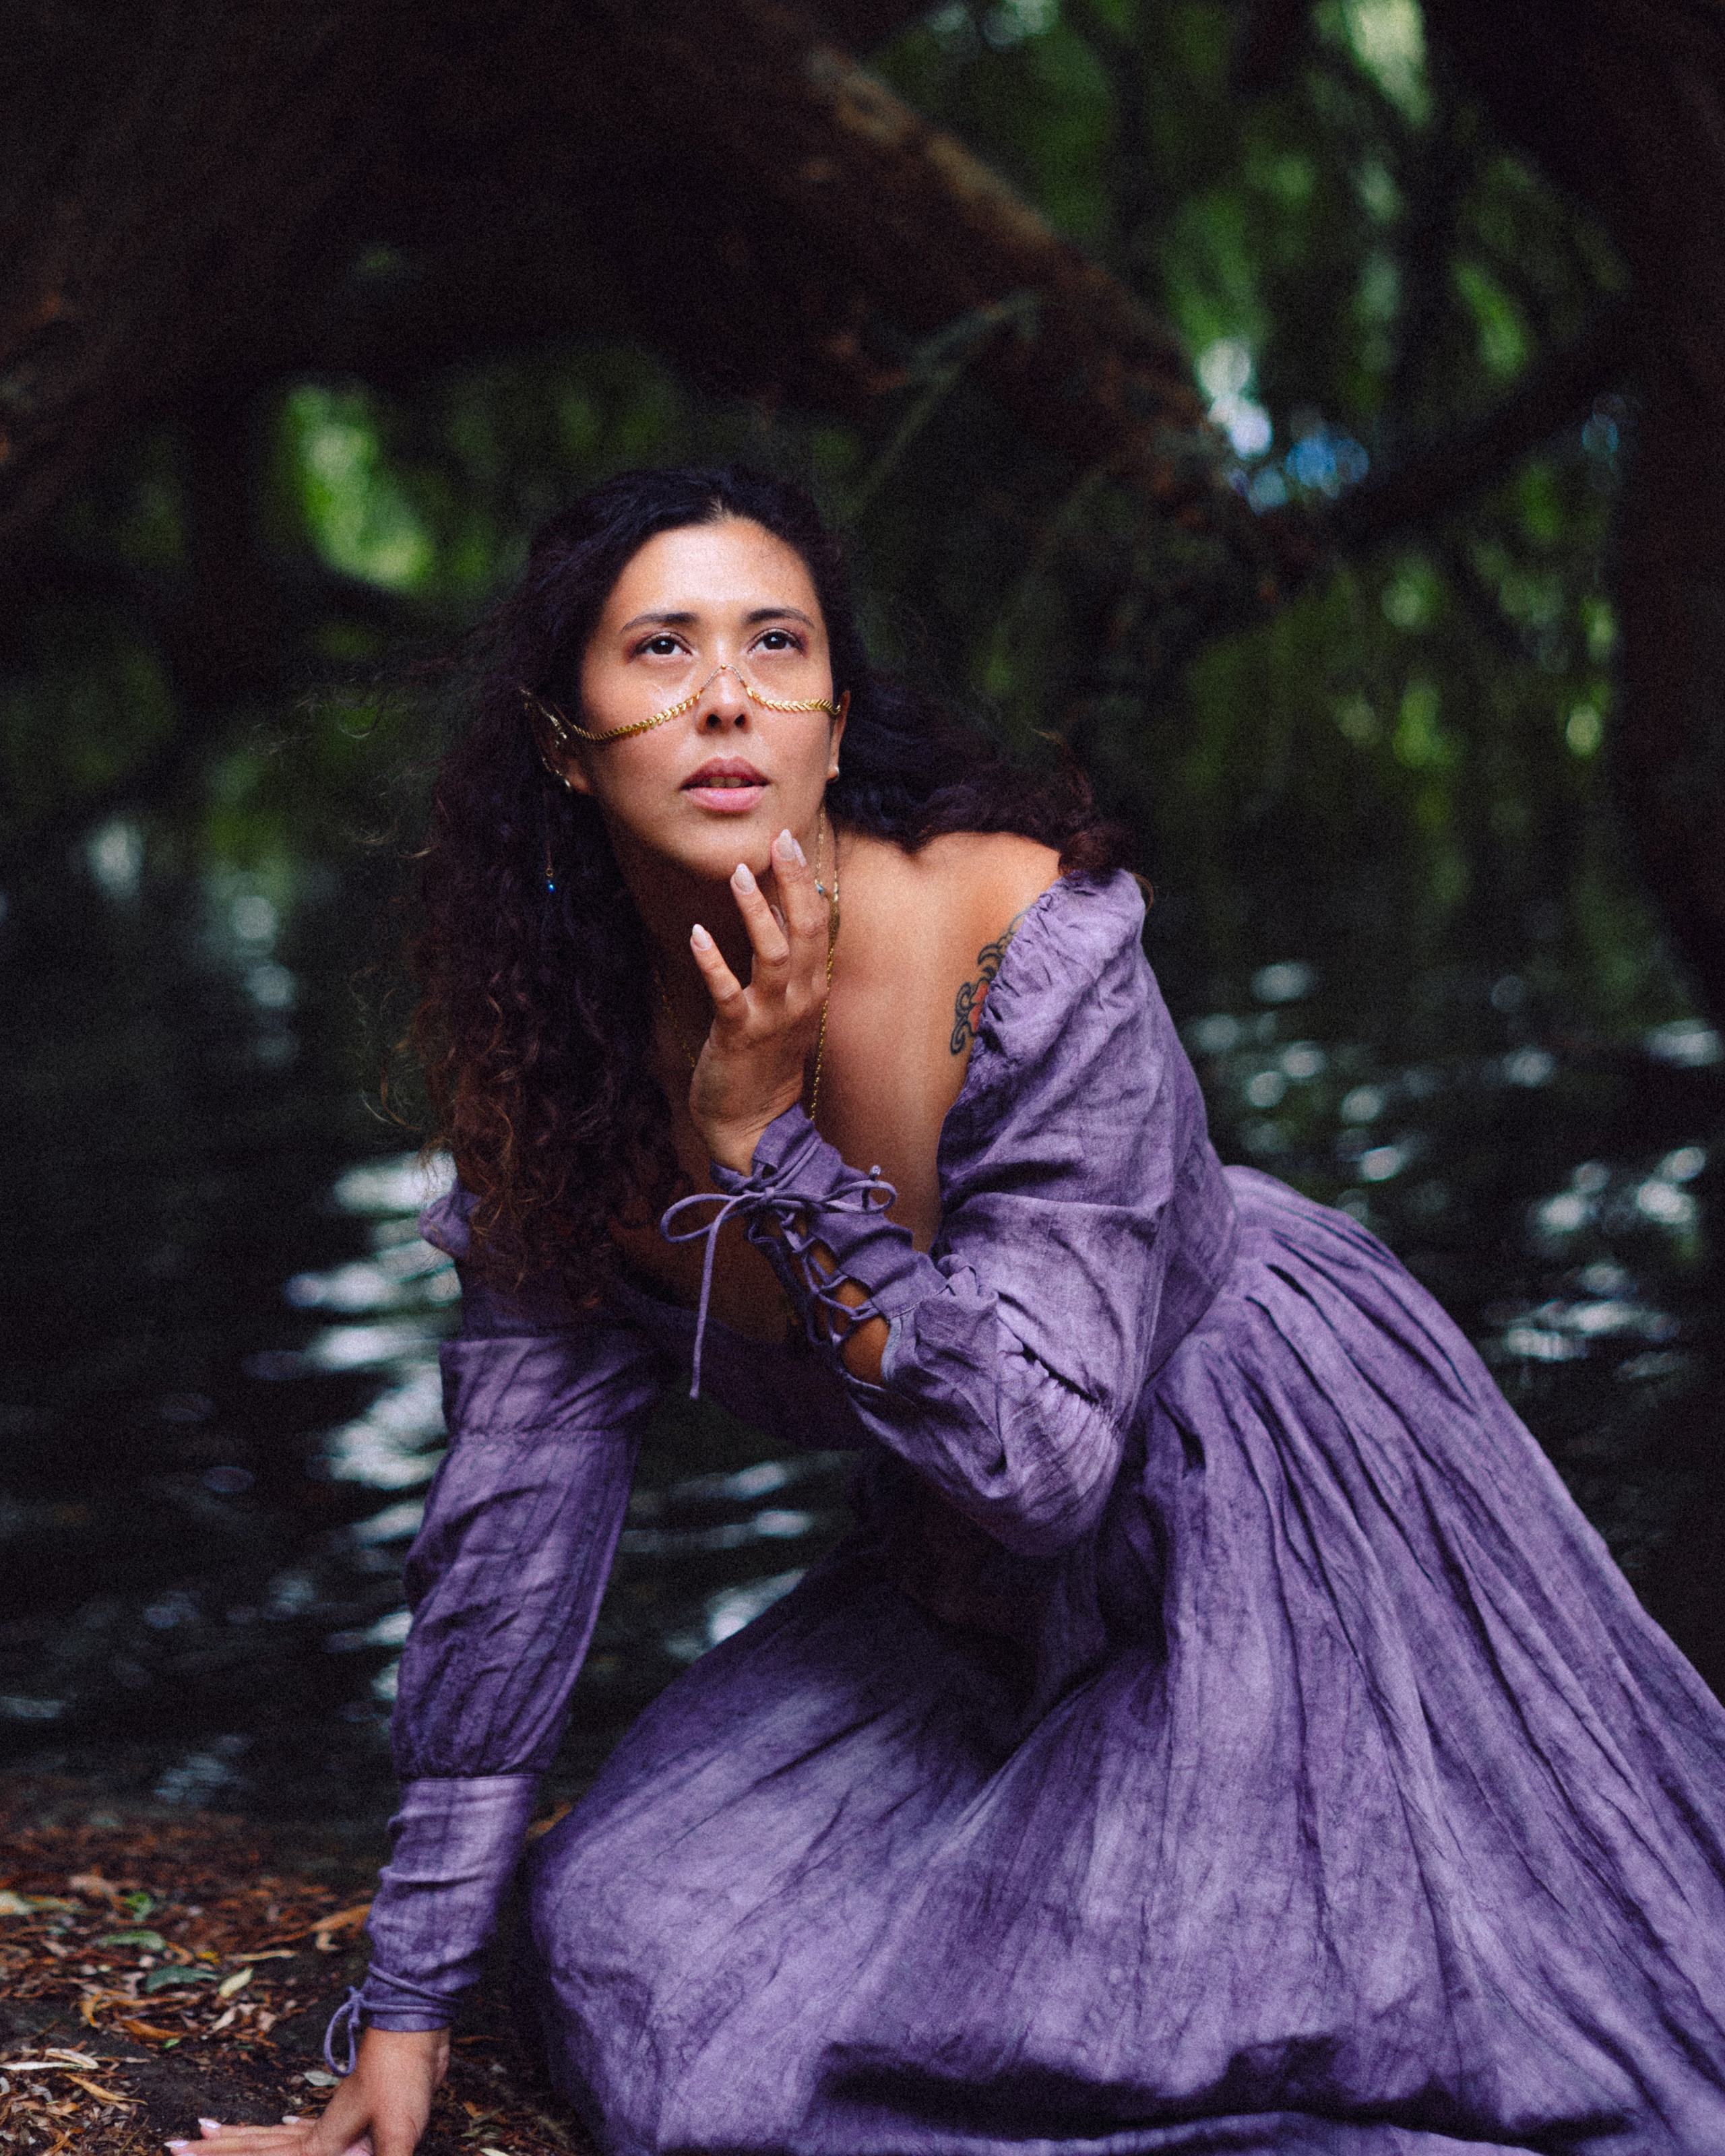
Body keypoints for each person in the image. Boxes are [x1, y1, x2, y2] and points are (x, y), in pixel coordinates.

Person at [180, 468, 1725, 2156]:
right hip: (956, 1576)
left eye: (777, 645)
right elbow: (511, 1540)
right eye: (660, 648)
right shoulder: (557, 1073)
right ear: (565, 741)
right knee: (619, 1935)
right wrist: (405, 2007)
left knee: (1205, 2007)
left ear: (835, 724)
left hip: (1259, 1499)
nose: (725, 696)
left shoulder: (1014, 928)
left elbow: (1044, 1463)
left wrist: (765, 1146)